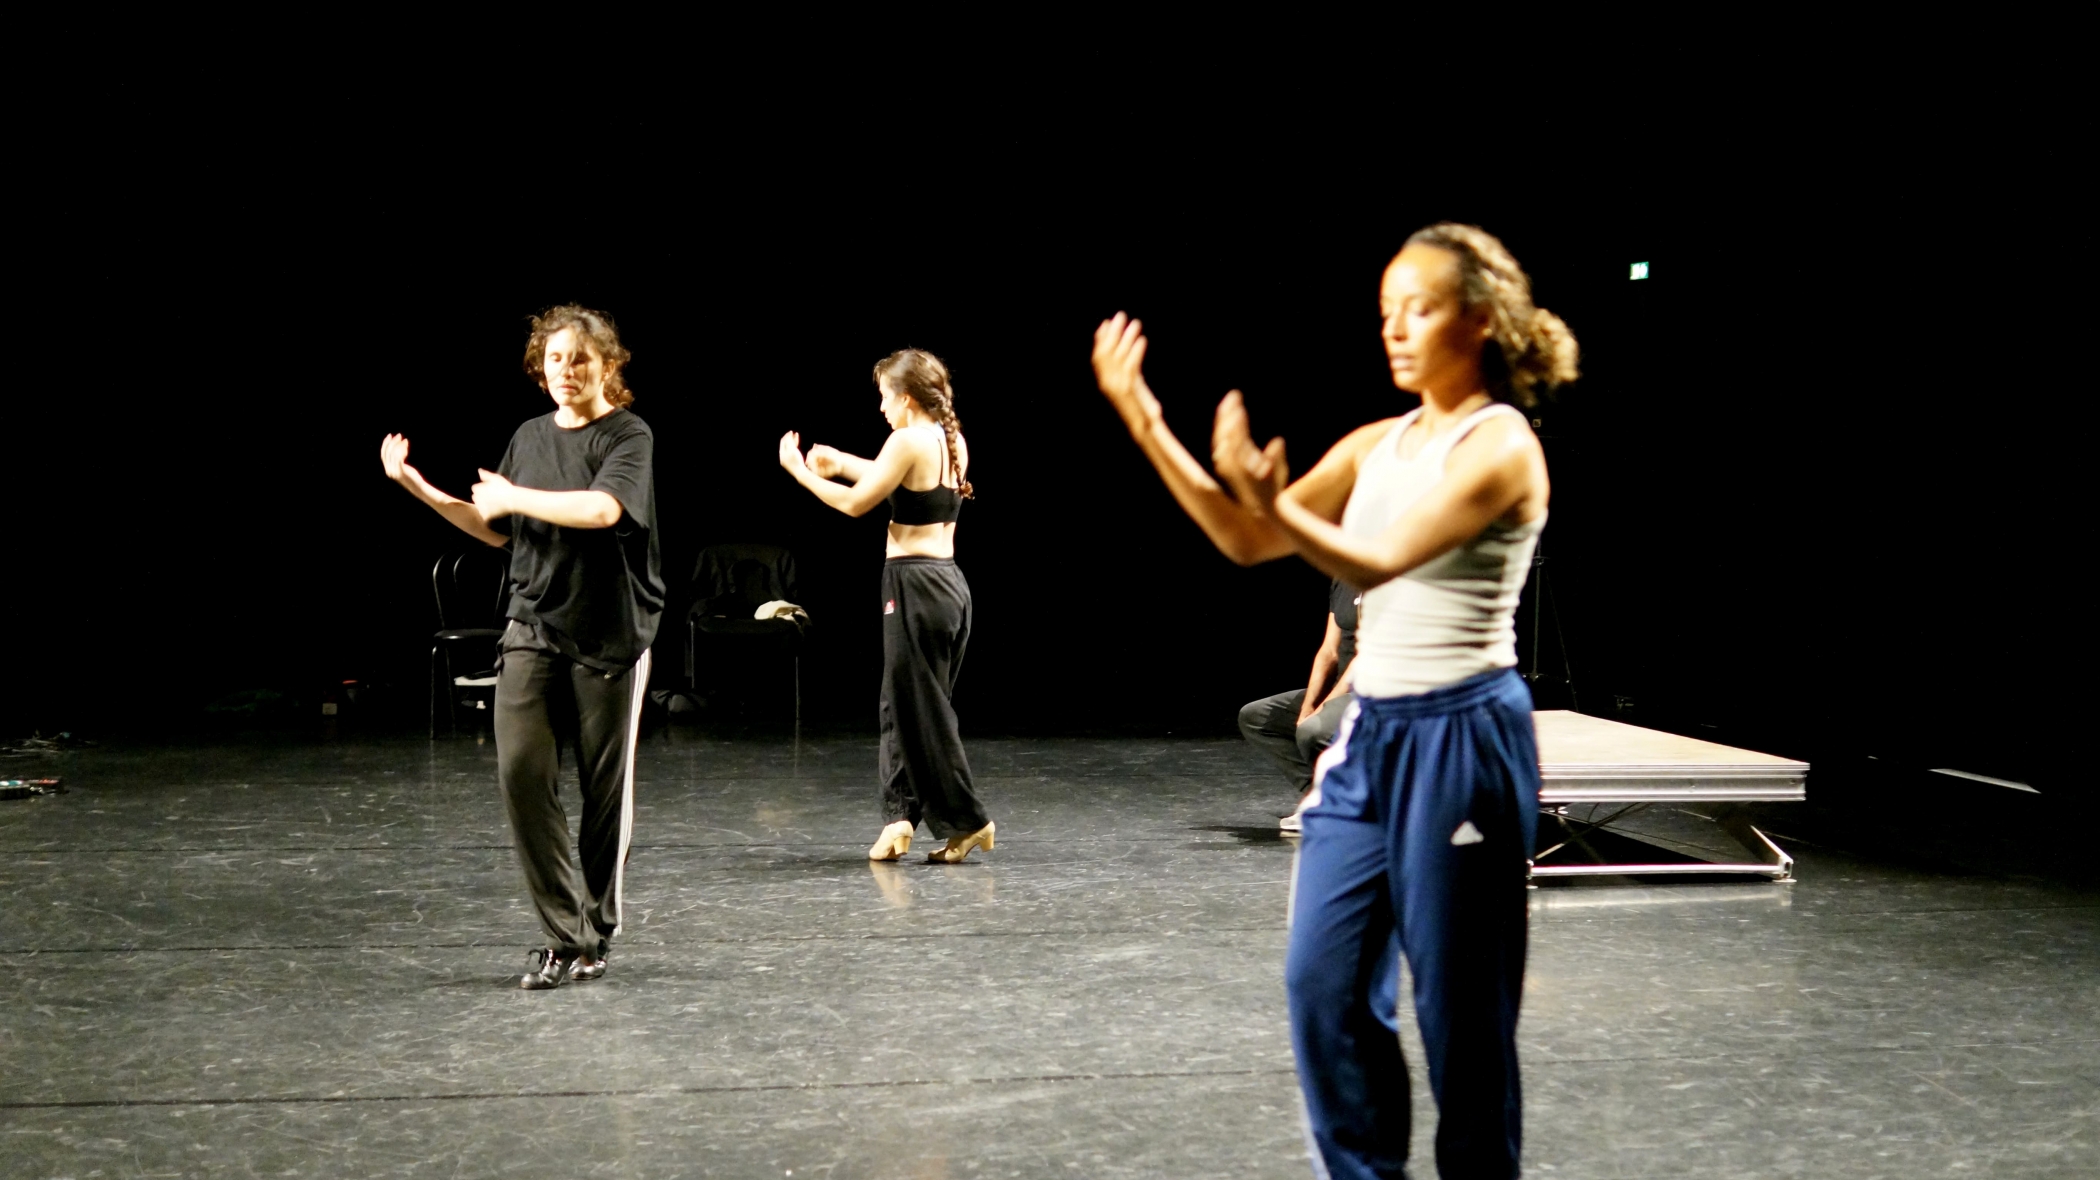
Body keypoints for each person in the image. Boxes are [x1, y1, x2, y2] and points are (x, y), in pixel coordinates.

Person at [1092, 223, 1577, 1180]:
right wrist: (1144, 415)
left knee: (1461, 1019)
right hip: (1374, 738)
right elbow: (1242, 538)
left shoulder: (1504, 448)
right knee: (1323, 985)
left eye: (1420, 309)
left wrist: (1280, 504)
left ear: (1478, 321)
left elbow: (1380, 560)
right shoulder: (1376, 443)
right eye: (1386, 312)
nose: (1396, 330)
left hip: (1464, 736)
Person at [380, 304, 664, 990]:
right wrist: (418, 488)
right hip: (532, 623)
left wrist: (517, 496)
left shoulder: (627, 434)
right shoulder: (530, 436)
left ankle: (595, 932)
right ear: (542, 369)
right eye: (556, 359)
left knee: (604, 797)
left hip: (611, 636)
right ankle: (562, 933)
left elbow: (602, 511)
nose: (567, 371)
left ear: (609, 364)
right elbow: (496, 526)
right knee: (522, 774)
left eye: (581, 358)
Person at [778, 348, 995, 864]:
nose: (880, 408)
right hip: (948, 586)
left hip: (915, 587)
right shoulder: (950, 439)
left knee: (922, 713)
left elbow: (857, 504)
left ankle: (969, 820)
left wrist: (799, 471)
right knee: (904, 706)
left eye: (883, 397)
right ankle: (900, 818)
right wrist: (840, 461)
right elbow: (898, 479)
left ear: (906, 397)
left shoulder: (906, 439)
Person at [1238, 579, 1360, 834]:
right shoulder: (1342, 580)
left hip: (1368, 692)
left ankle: (1345, 800)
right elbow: (1329, 651)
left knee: (1313, 730)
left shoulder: (1384, 579)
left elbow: (1366, 657)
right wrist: (1307, 706)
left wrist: (1324, 707)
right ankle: (1320, 795)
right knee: (1257, 718)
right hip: (1338, 688)